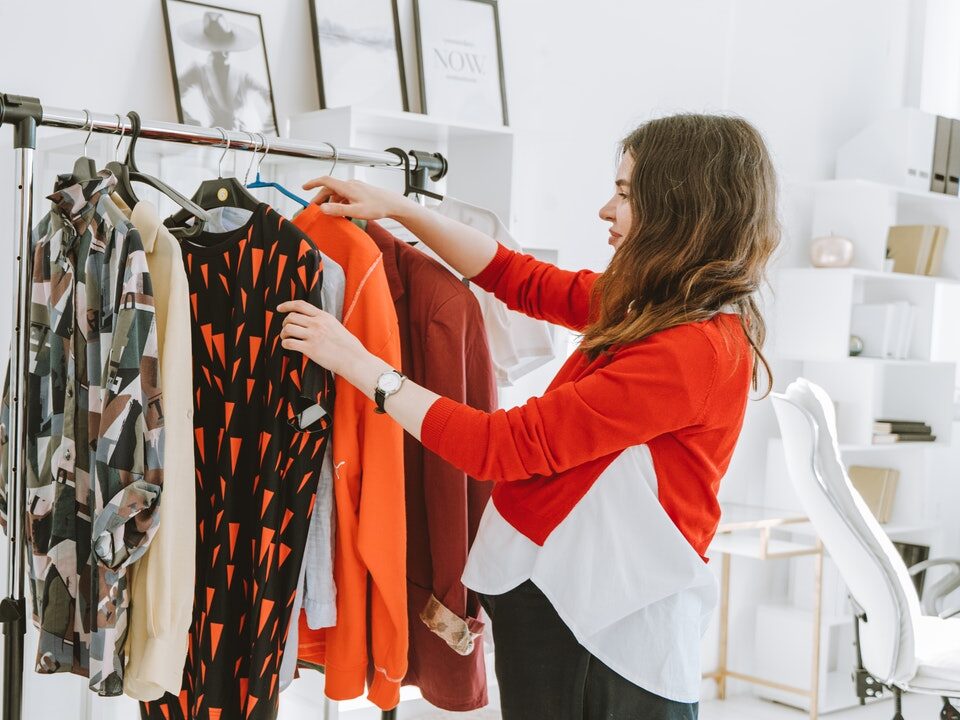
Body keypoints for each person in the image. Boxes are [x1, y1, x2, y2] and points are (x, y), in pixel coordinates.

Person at [278, 114, 780, 719]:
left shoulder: (691, 350)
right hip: (562, 596)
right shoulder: (662, 306)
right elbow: (521, 280)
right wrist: (399, 210)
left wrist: (361, 364)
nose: (604, 210)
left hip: (605, 627)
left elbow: (496, 446)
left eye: (624, 194)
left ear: (681, 210)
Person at [176, 10, 276, 134]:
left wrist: (264, 132)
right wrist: (192, 125)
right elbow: (174, 93)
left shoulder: (242, 76)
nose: (222, 53)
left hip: (243, 140)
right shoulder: (198, 71)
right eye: (217, 48)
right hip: (214, 140)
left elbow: (270, 98)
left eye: (225, 47)